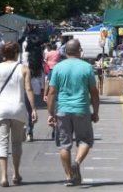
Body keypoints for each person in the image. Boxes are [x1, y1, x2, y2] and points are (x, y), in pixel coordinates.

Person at [47, 39, 100, 187]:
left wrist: (51, 113)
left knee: (64, 145)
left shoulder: (58, 68)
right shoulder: (87, 67)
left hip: (63, 110)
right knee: (85, 140)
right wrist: (95, 112)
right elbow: (94, 93)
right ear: (79, 50)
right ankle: (76, 162)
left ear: (65, 51)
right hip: (81, 109)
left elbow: (51, 92)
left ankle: (70, 176)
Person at [0, 41, 37, 187]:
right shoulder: (24, 69)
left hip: (1, 109)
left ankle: (3, 176)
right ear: (17, 53)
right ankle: (16, 173)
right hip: (18, 108)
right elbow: (29, 89)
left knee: (2, 142)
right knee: (16, 143)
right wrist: (33, 109)